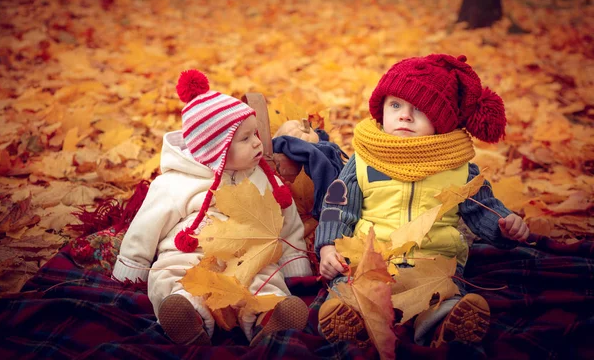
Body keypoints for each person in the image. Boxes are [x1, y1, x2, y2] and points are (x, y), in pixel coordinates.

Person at [314, 54, 530, 349]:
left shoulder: (458, 167)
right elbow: (337, 207)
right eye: (395, 105)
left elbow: (483, 208)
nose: (404, 116)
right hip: (371, 260)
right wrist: (328, 247)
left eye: (419, 109)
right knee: (350, 288)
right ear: (382, 111)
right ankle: (353, 321)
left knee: (442, 296)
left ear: (442, 121)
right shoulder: (363, 160)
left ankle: (444, 323)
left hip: (434, 264)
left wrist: (504, 225)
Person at [112, 69, 313, 346]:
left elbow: (287, 223)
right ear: (215, 150)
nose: (257, 142)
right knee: (172, 278)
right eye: (245, 139)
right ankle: (188, 316)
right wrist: (133, 265)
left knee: (266, 278)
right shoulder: (175, 184)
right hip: (189, 255)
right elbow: (146, 226)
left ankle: (269, 318)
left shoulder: (265, 179)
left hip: (247, 258)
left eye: (255, 133)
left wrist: (295, 266)